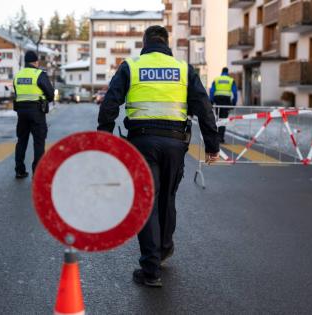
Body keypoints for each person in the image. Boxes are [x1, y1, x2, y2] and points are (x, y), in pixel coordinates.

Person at [97, 26, 220, 287]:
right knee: (167, 197)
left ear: (145, 42)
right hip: (176, 143)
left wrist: (104, 136)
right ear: (167, 42)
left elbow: (110, 102)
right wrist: (212, 145)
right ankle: (162, 250)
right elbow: (203, 107)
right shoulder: (183, 69)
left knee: (146, 200)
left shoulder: (131, 66)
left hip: (142, 141)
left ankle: (151, 268)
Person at [13, 50, 54, 179]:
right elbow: (51, 94)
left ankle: (19, 170)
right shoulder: (39, 74)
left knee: (21, 141)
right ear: (36, 62)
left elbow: (17, 92)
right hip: (37, 112)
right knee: (39, 142)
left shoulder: (18, 75)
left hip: (21, 113)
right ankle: (37, 172)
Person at [209, 67, 238, 143]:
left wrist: (211, 101)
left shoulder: (216, 79)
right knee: (224, 119)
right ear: (227, 72)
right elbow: (235, 93)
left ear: (221, 72)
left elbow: (212, 91)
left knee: (218, 118)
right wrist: (233, 103)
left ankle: (216, 136)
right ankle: (221, 137)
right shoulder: (231, 80)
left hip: (217, 101)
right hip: (226, 101)